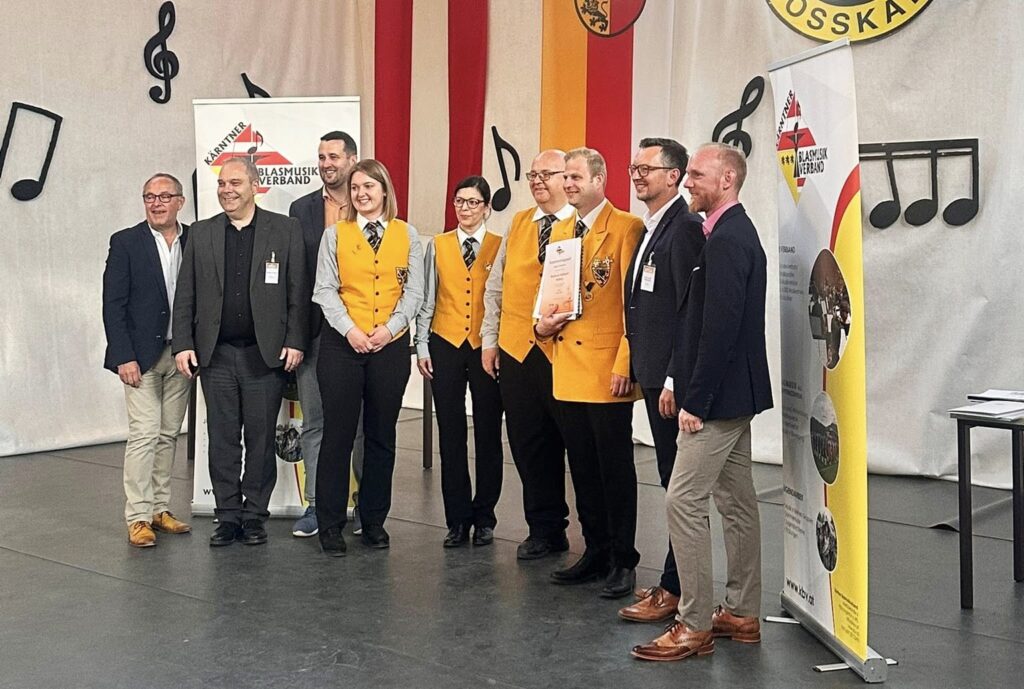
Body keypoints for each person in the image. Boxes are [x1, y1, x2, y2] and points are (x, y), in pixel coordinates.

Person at [632, 143, 773, 662]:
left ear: (727, 179)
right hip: (734, 395)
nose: (687, 181)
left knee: (683, 500)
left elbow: (721, 330)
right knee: (736, 502)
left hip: (718, 399)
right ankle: (741, 612)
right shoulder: (724, 232)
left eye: (695, 174)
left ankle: (693, 625)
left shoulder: (728, 238)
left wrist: (697, 399)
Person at [172, 157, 308, 548]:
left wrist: (296, 340)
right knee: (222, 439)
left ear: (254, 185)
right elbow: (186, 293)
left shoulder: (285, 230)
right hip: (215, 355)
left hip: (263, 355)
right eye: (221, 184)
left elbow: (298, 291)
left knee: (262, 440)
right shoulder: (201, 233)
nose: (226, 190)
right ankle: (228, 515)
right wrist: (183, 343)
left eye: (235, 183)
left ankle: (254, 516)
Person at [534, 147, 643, 599]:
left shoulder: (626, 227)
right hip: (566, 365)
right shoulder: (561, 229)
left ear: (600, 180)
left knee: (614, 469)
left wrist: (625, 363)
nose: (569, 184)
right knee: (580, 467)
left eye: (576, 177)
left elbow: (633, 305)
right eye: (566, 177)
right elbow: (551, 293)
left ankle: (623, 559)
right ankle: (595, 550)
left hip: (605, 368)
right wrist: (540, 328)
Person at [313, 159, 424, 556]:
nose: (361, 194)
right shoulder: (335, 235)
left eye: (369, 187)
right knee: (338, 436)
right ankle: (330, 524)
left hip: (388, 348)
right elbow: (324, 289)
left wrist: (390, 330)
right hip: (342, 347)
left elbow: (414, 291)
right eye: (356, 188)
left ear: (384, 190)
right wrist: (351, 330)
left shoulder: (407, 234)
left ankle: (374, 521)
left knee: (381, 436)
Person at [619, 138, 705, 620]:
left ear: (674, 176)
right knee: (670, 480)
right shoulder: (654, 227)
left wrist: (673, 376)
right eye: (634, 168)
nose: (637, 175)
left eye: (645, 168)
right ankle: (672, 582)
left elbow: (688, 309)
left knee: (679, 485)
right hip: (651, 371)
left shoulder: (685, 228)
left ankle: (677, 589)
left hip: (671, 378)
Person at [481, 150, 574, 561]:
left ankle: (597, 537)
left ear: (567, 178)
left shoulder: (581, 223)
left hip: (566, 353)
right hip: (517, 351)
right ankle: (544, 529)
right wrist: (489, 340)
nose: (536, 181)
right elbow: (496, 287)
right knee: (528, 444)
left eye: (546, 174)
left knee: (575, 446)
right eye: (532, 175)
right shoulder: (519, 223)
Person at [102, 173, 192, 547]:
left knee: (168, 434)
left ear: (180, 202)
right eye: (149, 197)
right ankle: (137, 516)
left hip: (181, 355)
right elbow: (113, 304)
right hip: (139, 358)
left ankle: (159, 509)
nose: (156, 203)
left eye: (164, 196)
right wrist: (123, 356)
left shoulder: (194, 240)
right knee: (144, 434)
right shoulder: (125, 242)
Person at [415, 177, 504, 548]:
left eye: (473, 202)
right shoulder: (437, 245)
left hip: (486, 347)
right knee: (450, 433)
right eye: (459, 202)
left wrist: (497, 344)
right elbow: (427, 299)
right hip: (445, 343)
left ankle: (484, 517)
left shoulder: (500, 245)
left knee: (488, 432)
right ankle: (457, 520)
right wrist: (422, 346)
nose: (465, 209)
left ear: (487, 207)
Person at [287, 130, 366, 538]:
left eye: (333, 156)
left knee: (361, 425)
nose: (326, 164)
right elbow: (294, 278)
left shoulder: (369, 202)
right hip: (316, 331)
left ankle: (366, 505)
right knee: (315, 422)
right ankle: (317, 506)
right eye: (321, 157)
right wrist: (294, 335)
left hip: (361, 333)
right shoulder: (300, 209)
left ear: (352, 159)